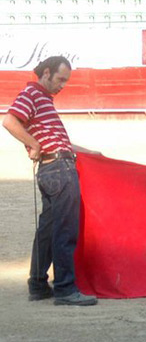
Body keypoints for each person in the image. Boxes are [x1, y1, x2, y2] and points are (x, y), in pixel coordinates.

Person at [2, 56, 98, 306]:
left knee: (47, 230)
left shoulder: (42, 99)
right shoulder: (32, 94)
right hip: (58, 169)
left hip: (52, 168)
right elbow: (9, 121)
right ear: (46, 72)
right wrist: (32, 143)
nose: (62, 85)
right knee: (65, 230)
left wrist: (90, 153)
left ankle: (38, 285)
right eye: (60, 79)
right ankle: (65, 289)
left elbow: (59, 142)